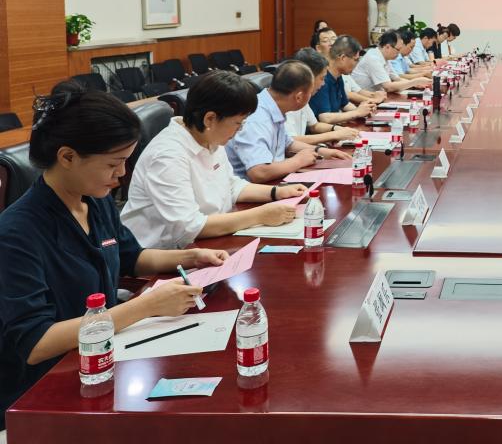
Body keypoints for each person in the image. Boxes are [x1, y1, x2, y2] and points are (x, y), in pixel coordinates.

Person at [0, 83, 228, 428]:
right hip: (45, 389)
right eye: (114, 164)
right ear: (67, 157)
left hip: (103, 359)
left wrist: (192, 257)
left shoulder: (95, 199)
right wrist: (146, 307)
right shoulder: (16, 233)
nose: (121, 175)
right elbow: (35, 343)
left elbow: (130, 256)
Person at [122, 71, 308, 249]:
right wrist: (260, 215)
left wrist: (277, 192)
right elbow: (189, 227)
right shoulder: (167, 155)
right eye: (238, 123)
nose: (240, 130)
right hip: (165, 255)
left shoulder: (209, 137)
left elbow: (231, 186)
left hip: (208, 241)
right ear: (210, 119)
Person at [225, 60, 345, 183]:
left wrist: (320, 151)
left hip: (274, 181)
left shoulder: (272, 105)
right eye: (310, 93)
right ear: (298, 97)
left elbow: (288, 143)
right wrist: (298, 161)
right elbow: (259, 172)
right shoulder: (256, 119)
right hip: (253, 190)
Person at [288, 48, 358, 144]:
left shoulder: (303, 96)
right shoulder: (287, 99)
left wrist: (338, 129)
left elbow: (314, 126)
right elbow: (291, 141)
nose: (323, 83)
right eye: (322, 78)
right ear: (308, 77)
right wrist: (333, 135)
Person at [310, 36, 376, 128]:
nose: (356, 64)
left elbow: (345, 104)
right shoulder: (322, 79)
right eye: (355, 60)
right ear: (343, 58)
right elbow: (325, 117)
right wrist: (357, 112)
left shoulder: (338, 75)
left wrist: (364, 110)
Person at [351, 31, 431, 93]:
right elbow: (388, 87)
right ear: (387, 47)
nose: (399, 53)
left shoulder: (385, 58)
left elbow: (397, 78)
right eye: (398, 50)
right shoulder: (373, 58)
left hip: (376, 96)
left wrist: (416, 84)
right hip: (363, 99)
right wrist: (414, 82)